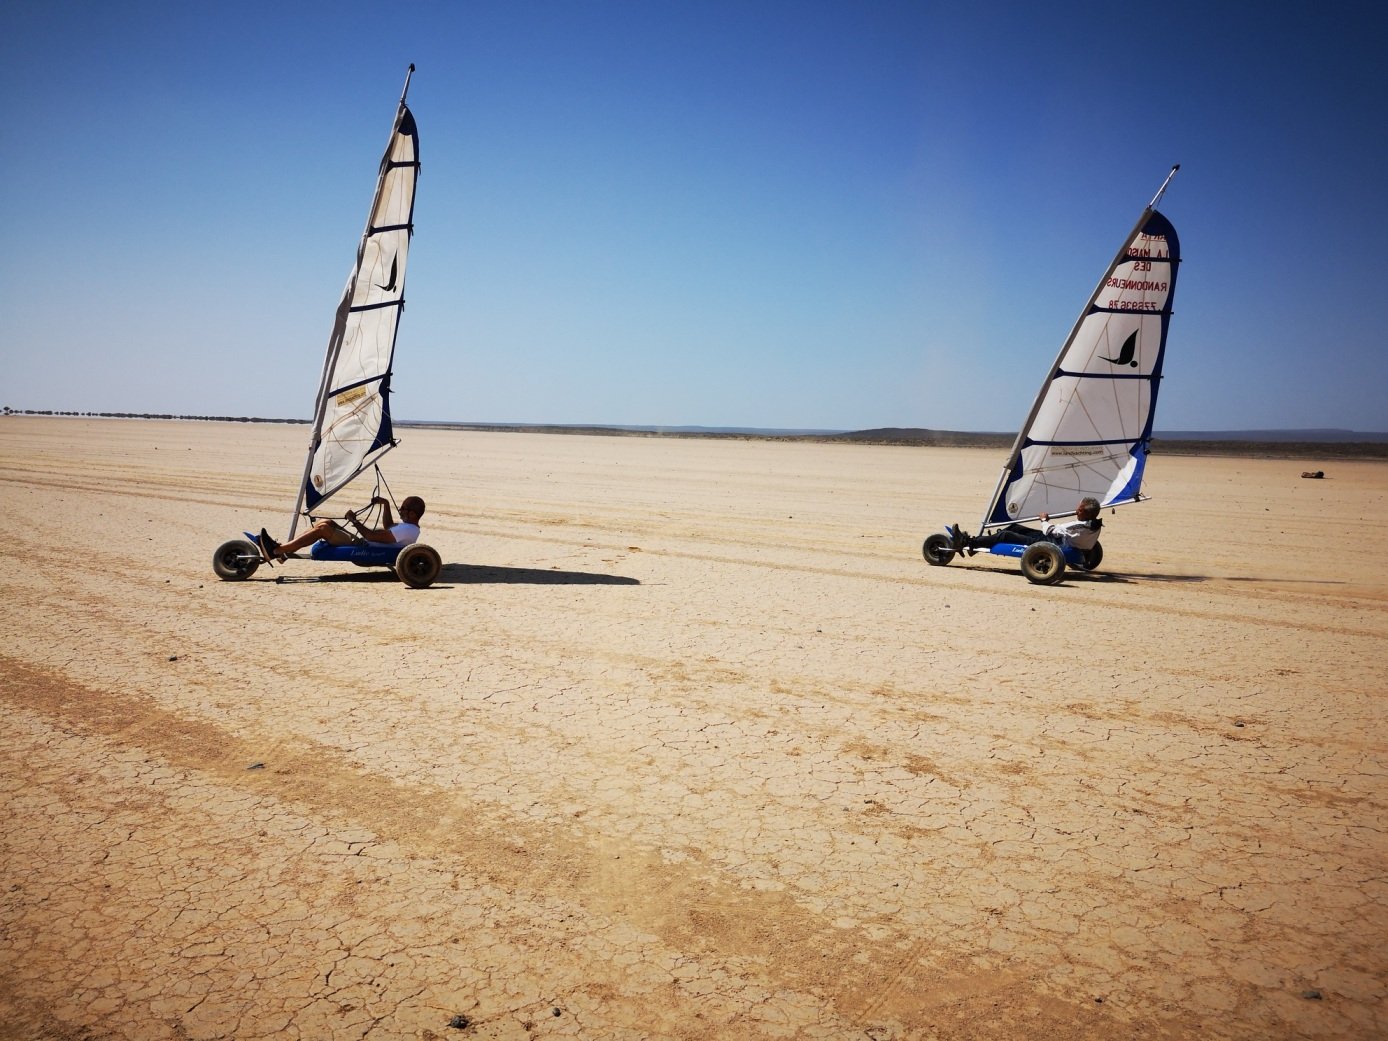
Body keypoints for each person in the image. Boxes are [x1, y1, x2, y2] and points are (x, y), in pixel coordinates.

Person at [257, 495, 425, 564]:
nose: (400, 510)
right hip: (363, 543)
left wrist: (354, 521)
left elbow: (371, 536)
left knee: (323, 529)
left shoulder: (407, 530)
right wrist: (385, 504)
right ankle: (285, 552)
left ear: (412, 514)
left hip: (363, 546)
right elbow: (389, 526)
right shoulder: (408, 528)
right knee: (326, 522)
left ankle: (277, 550)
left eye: (403, 508)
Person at [949, 496, 1102, 556]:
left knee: (1005, 535)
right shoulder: (1095, 525)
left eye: (1079, 509)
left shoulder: (1079, 526)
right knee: (1015, 528)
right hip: (1059, 540)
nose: (1076, 510)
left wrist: (1043, 520)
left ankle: (968, 542)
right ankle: (980, 544)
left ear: (1085, 512)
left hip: (1054, 543)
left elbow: (1051, 530)